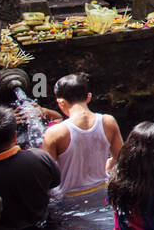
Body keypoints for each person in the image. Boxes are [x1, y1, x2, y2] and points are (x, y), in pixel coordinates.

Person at [43, 72, 123, 200]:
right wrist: (108, 166)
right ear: (89, 97)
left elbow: (47, 178)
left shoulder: (54, 133)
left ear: (61, 102)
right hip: (103, 193)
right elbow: (122, 159)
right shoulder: (108, 122)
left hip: (69, 200)